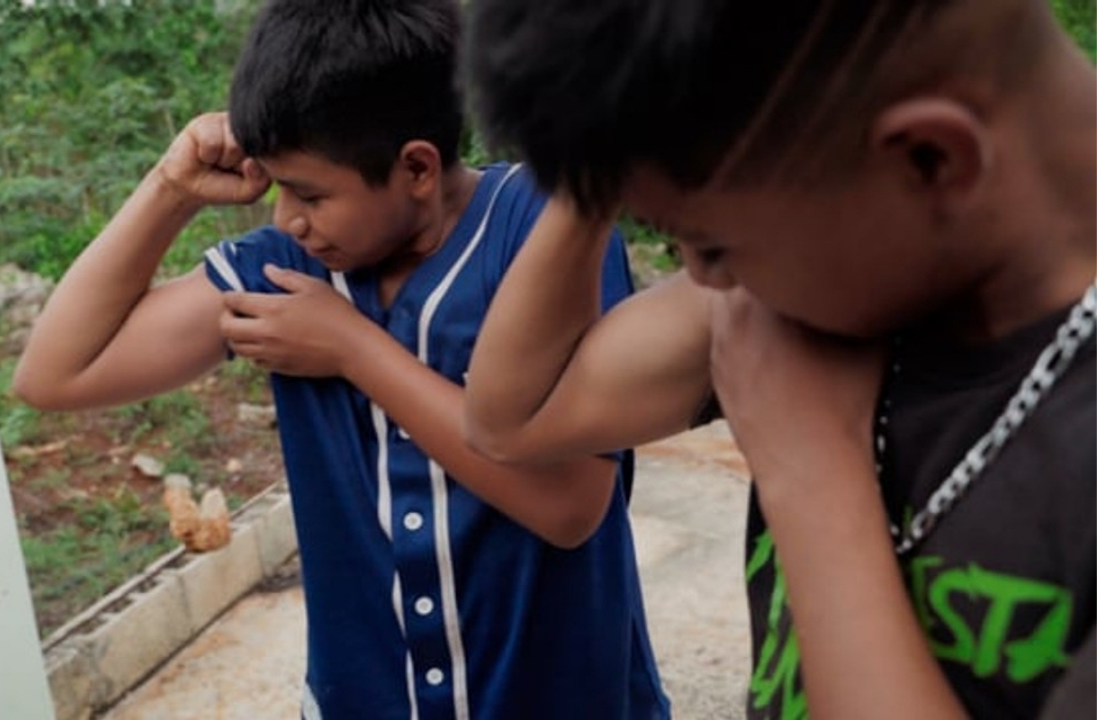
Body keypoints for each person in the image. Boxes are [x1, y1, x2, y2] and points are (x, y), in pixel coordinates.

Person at [13, 0, 671, 718]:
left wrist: (353, 349)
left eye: (309, 193)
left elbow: (570, 505)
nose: (286, 218)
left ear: (416, 167)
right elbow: (56, 373)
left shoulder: (547, 228)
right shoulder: (288, 271)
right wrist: (169, 189)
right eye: (277, 186)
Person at [460, 0, 1095, 718]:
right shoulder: (864, 261)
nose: (703, 277)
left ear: (930, 158)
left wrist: (811, 466)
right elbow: (515, 416)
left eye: (711, 243)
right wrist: (601, 135)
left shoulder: (842, 277)